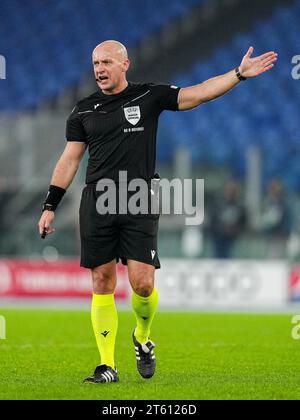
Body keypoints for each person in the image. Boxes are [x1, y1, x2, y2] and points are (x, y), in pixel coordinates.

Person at [38, 40, 277, 383]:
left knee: (143, 283)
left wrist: (238, 74)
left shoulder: (149, 96)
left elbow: (200, 93)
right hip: (98, 201)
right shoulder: (83, 111)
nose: (99, 69)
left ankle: (143, 337)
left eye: (106, 61)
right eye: (94, 63)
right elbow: (69, 160)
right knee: (102, 280)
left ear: (125, 64)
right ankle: (107, 365)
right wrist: (50, 205)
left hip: (138, 199)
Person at [210, 180, 246, 259]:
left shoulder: (240, 206)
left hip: (234, 239)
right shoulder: (218, 204)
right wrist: (222, 229)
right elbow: (213, 220)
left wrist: (236, 229)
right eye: (229, 190)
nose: (231, 192)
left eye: (233, 190)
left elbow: (244, 221)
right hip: (219, 238)